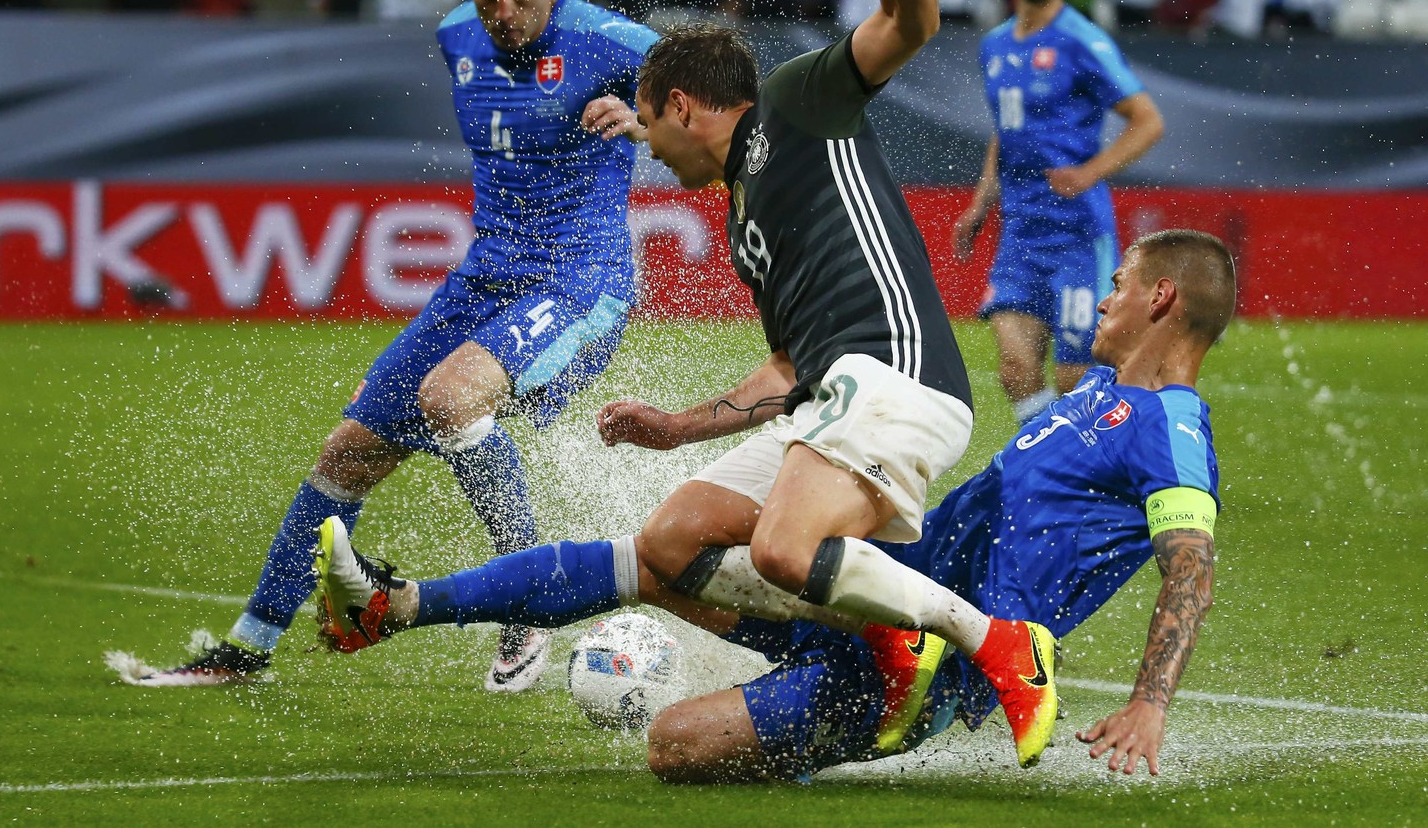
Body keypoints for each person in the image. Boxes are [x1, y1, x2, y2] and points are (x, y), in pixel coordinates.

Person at [315, 0, 1063, 770]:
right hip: (834, 397)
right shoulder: (747, 219)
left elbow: (909, 24)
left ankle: (996, 642)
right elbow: (787, 369)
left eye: (648, 125)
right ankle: (886, 638)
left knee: (784, 549)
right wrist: (679, 428)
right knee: (669, 542)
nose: (649, 152)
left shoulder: (796, 102)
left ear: (678, 105)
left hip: (901, 378)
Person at [314, 226, 1232, 780]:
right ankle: (396, 606)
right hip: (877, 592)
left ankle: (831, 720)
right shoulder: (1095, 395)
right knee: (661, 553)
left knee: (673, 746)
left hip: (924, 674)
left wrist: (1150, 703)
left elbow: (1191, 564)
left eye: (1120, 286)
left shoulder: (1173, 427)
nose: (1103, 301)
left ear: (1161, 297)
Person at [123, 0, 659, 693]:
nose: (503, 12)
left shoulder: (613, 41)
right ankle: (247, 649)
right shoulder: (457, 37)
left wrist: (645, 122)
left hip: (580, 280)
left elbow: (725, 95)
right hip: (484, 279)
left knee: (450, 398)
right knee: (346, 454)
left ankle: (530, 604)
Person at [954, 0, 1164, 426]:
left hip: (1077, 234)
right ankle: (1050, 456)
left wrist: (1090, 172)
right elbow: (1007, 131)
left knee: (1076, 380)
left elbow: (1147, 121)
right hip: (1020, 234)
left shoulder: (1081, 39)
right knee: (1015, 369)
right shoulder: (994, 45)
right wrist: (981, 203)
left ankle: (1107, 450)